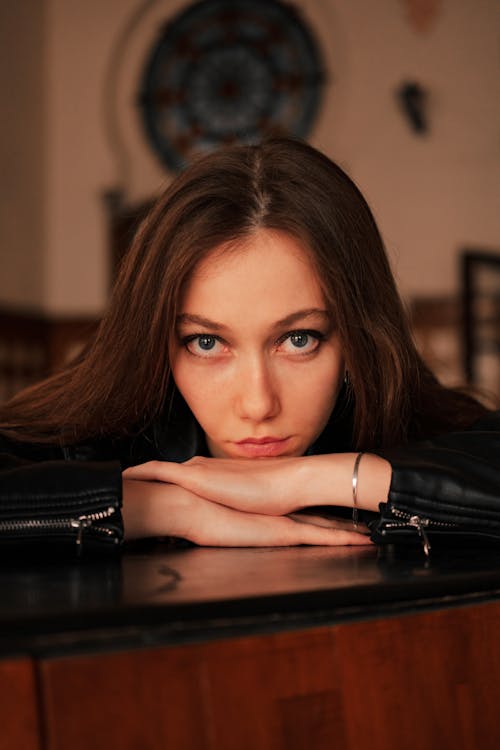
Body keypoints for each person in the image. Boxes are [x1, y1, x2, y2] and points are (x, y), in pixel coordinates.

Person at [1, 138, 500, 557]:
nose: (258, 404)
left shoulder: (400, 413)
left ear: (356, 337)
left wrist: (309, 480)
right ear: (158, 343)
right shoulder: (100, 431)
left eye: (298, 340)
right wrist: (162, 508)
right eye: (207, 342)